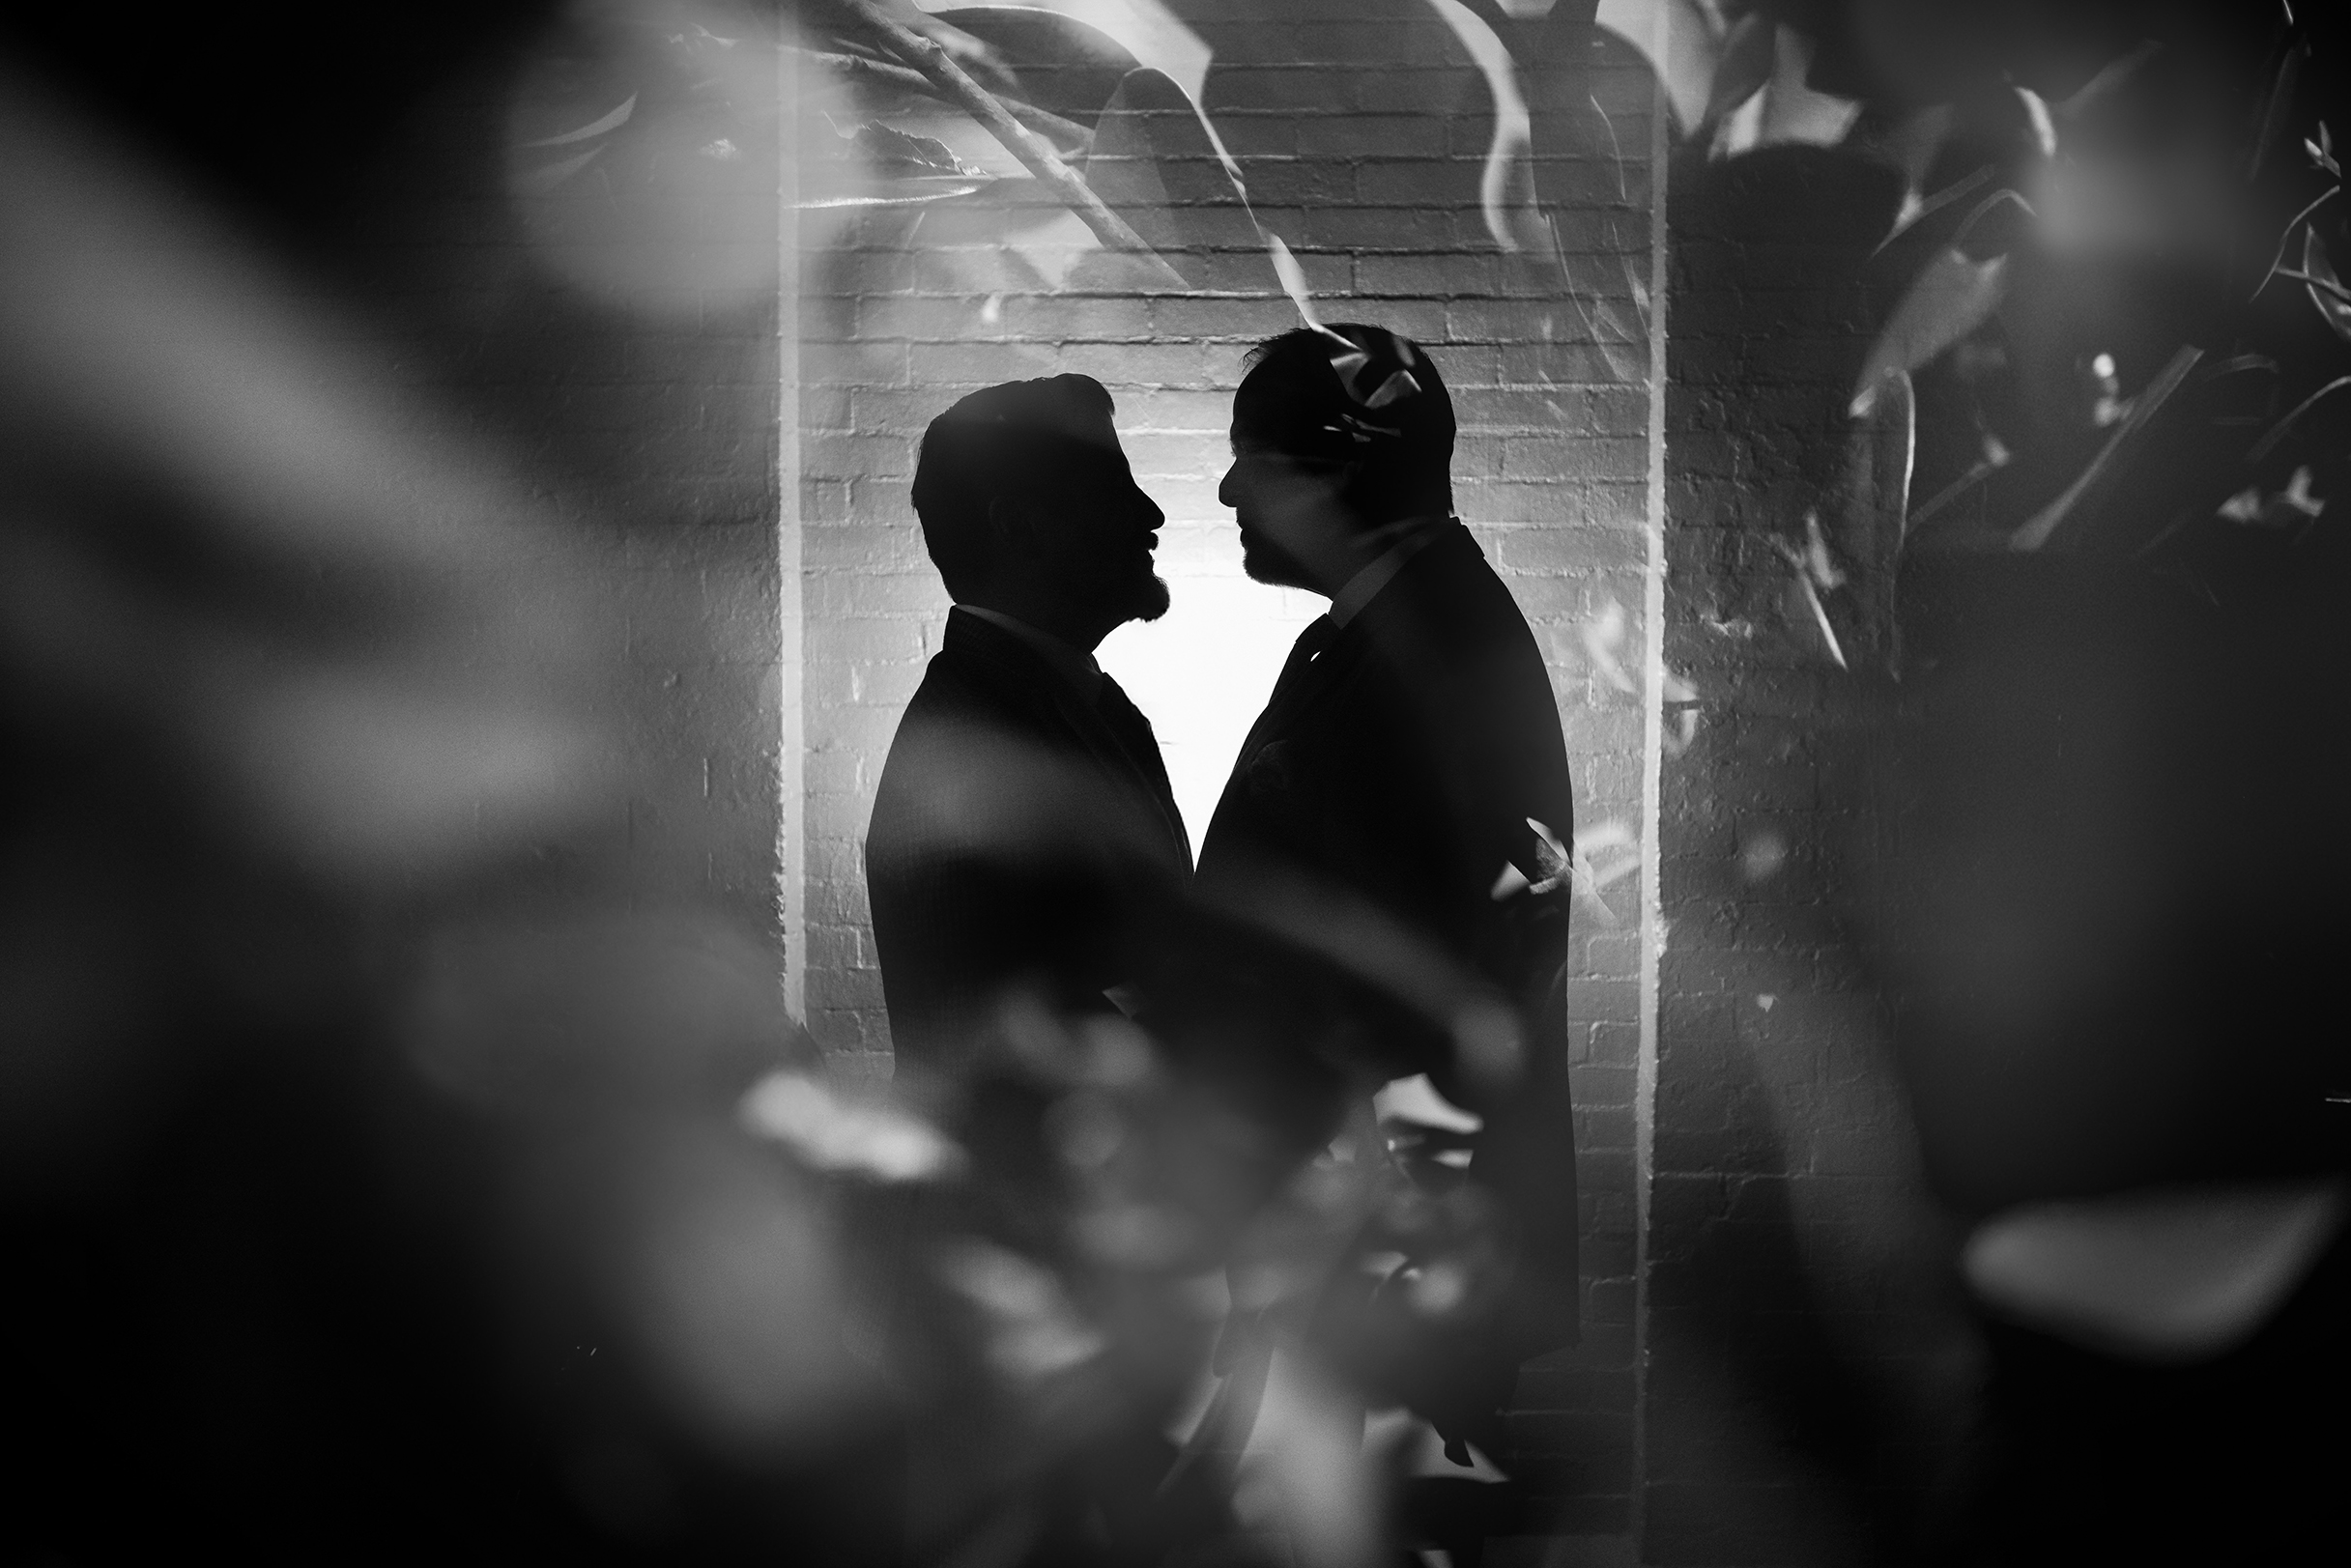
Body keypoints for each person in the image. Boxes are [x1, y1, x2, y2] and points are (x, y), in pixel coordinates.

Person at [1195, 324, 1582, 1483]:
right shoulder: (1388, 635)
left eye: (1253, 458)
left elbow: (1467, 968)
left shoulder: (1438, 655)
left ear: (1337, 472)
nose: (1225, 488)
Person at [865, 373, 1190, 1077]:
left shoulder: (1070, 706)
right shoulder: (977, 749)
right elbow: (1025, 1034)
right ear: (1018, 524)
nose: (1151, 512)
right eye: (1113, 488)